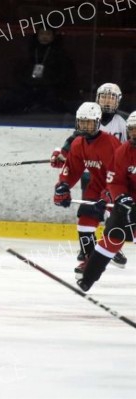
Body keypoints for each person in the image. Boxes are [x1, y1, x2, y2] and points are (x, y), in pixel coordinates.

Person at [51, 84, 128, 265]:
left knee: (114, 211)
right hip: (93, 172)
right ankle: (89, 251)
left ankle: (111, 247)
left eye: (111, 97)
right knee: (90, 210)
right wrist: (62, 155)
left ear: (118, 100)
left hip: (117, 173)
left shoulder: (124, 121)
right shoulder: (89, 116)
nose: (107, 100)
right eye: (103, 97)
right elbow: (76, 141)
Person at [76, 111, 136, 291]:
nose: (134, 134)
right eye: (132, 130)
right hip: (127, 204)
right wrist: (120, 196)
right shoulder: (124, 151)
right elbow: (115, 181)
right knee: (110, 241)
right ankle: (87, 279)